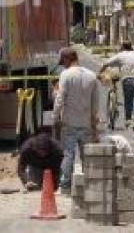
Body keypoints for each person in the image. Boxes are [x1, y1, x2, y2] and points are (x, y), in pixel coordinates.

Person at [52, 47, 99, 194]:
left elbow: (60, 98)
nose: (63, 64)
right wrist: (93, 122)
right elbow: (96, 102)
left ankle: (65, 187)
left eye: (63, 61)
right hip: (86, 123)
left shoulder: (66, 75)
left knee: (68, 154)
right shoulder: (91, 76)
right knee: (87, 156)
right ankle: (89, 185)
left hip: (69, 123)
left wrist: (55, 117)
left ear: (67, 59)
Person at [98, 41, 134, 125]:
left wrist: (99, 73)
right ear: (131, 47)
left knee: (128, 99)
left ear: (122, 47)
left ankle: (128, 119)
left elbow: (106, 63)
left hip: (127, 79)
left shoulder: (120, 55)